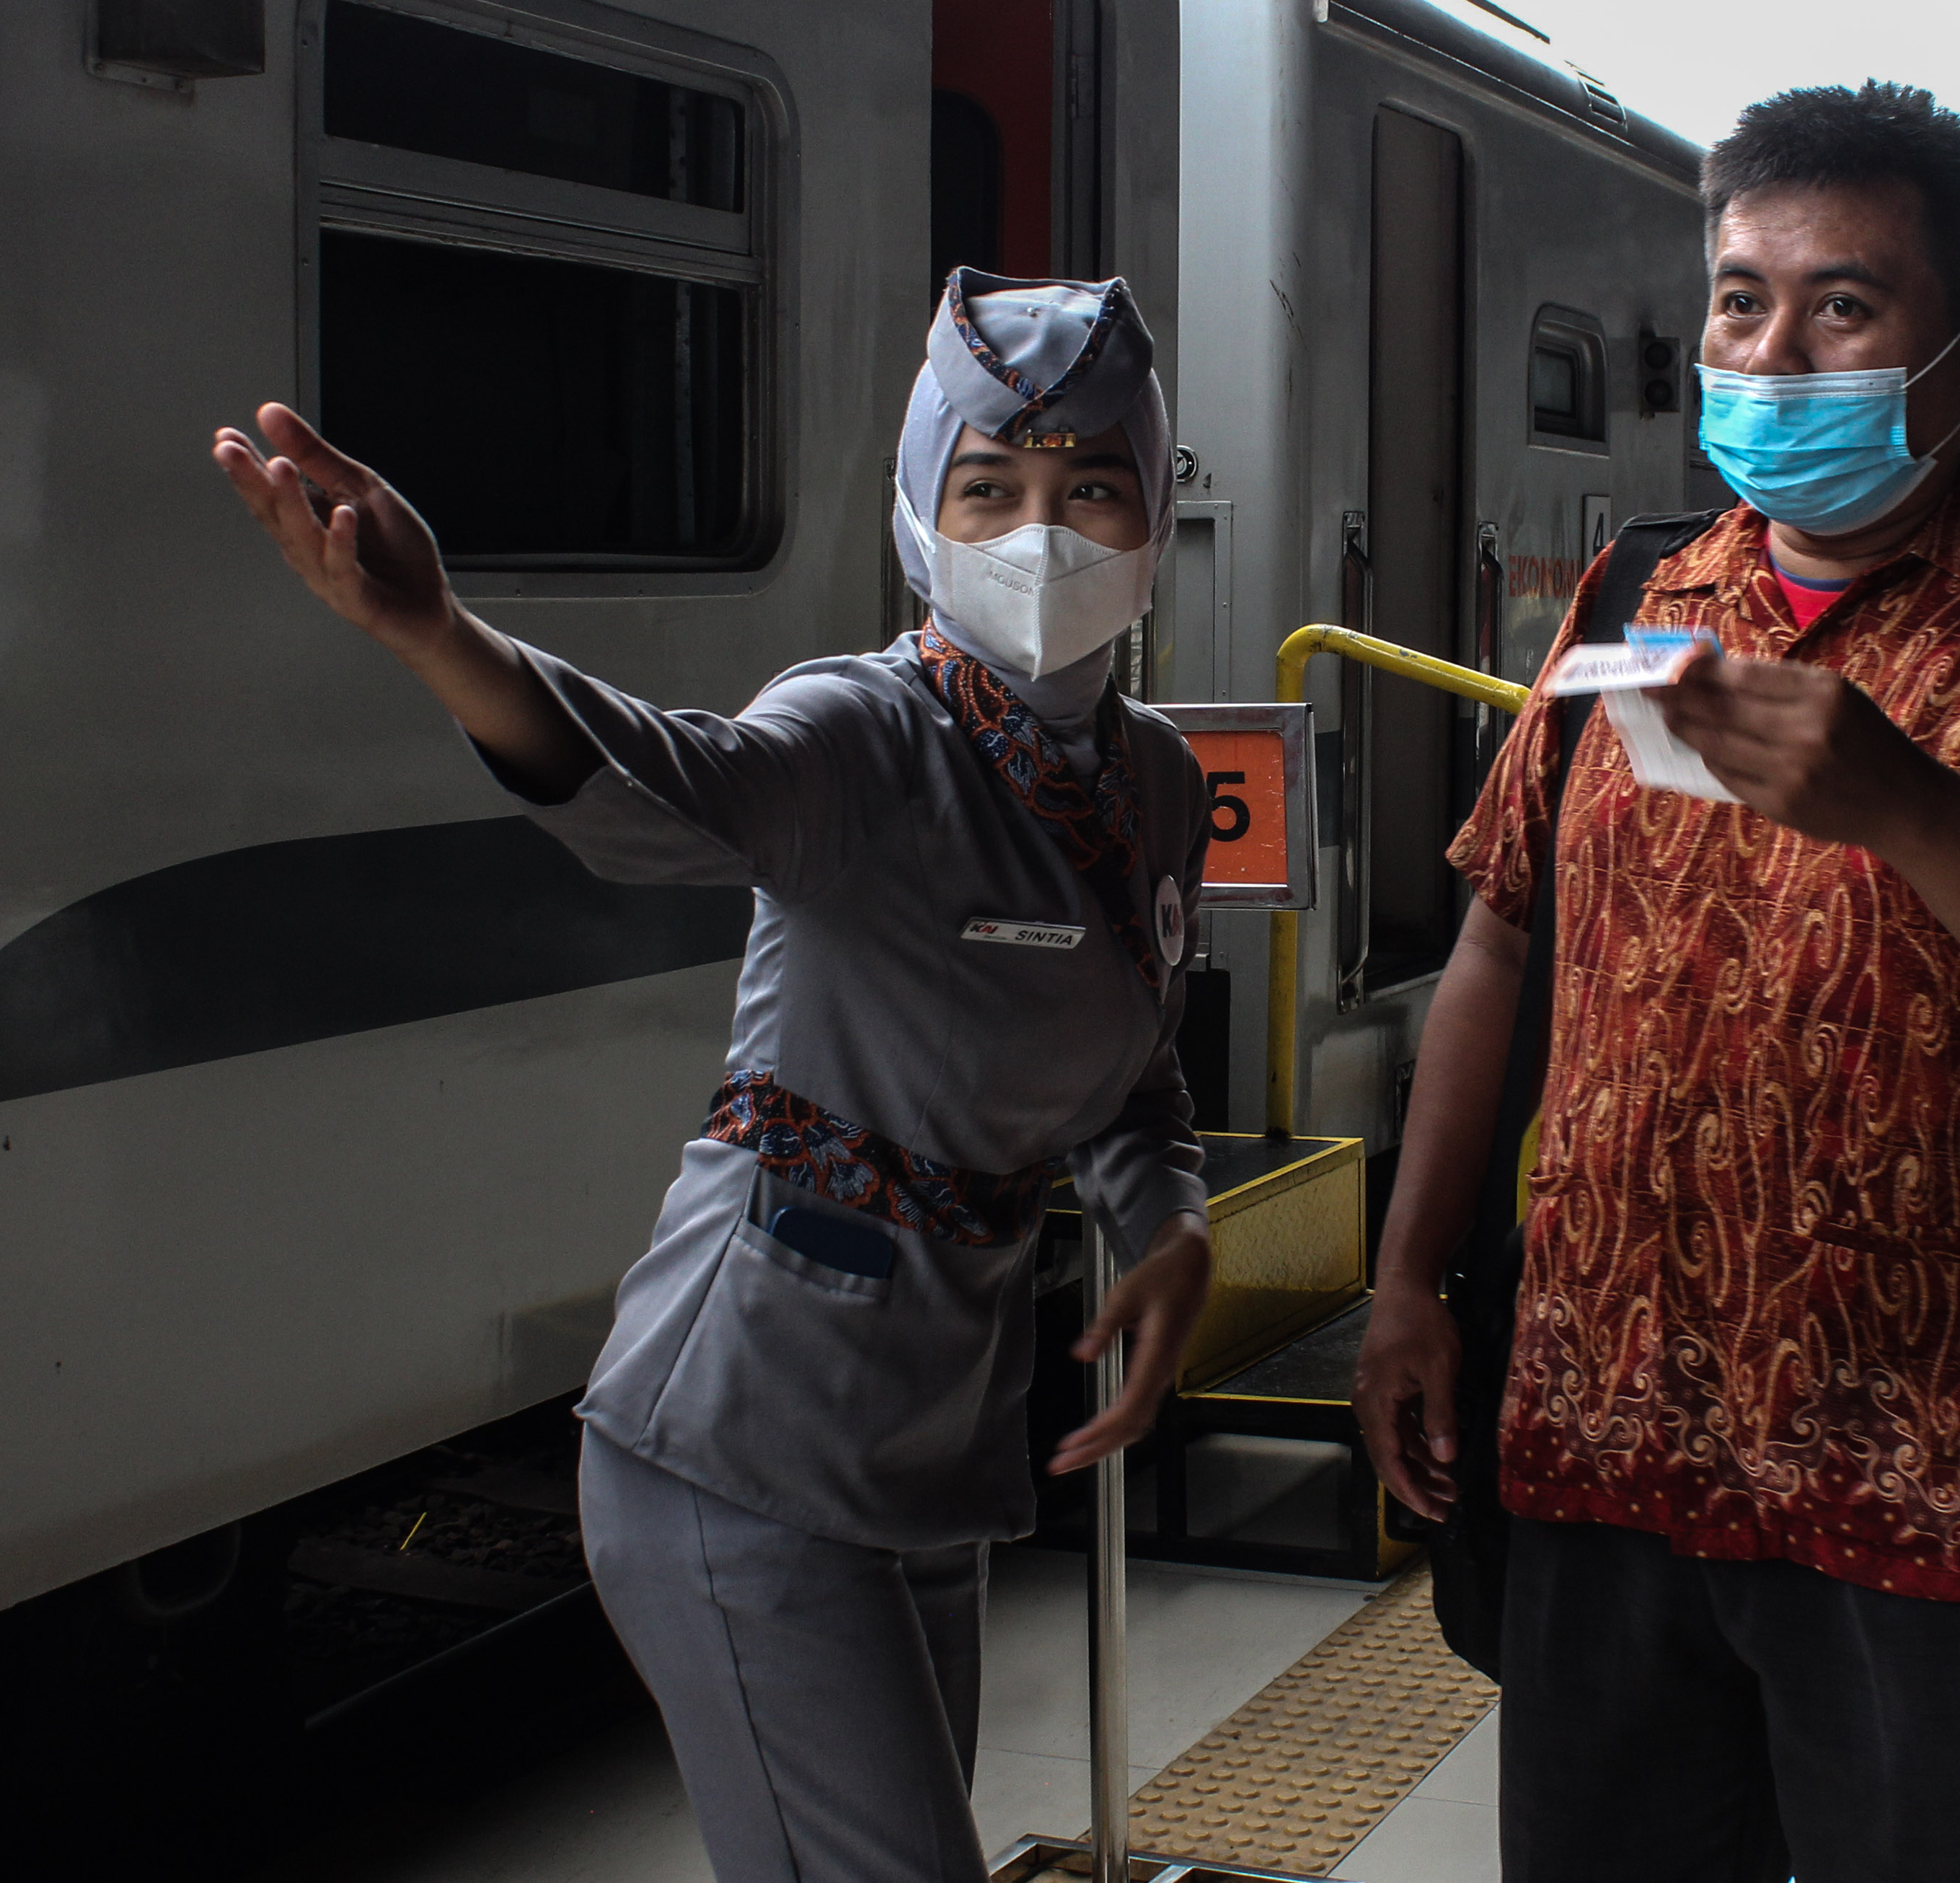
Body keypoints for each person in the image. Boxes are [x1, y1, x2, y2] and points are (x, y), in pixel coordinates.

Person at [1352, 83, 1960, 1882]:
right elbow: (1496, 933)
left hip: (1954, 1485)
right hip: (1606, 1449)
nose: (1773, 351)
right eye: (1736, 299)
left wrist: (1907, 810)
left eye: (1843, 305)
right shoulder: (1643, 594)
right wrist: (1407, 1280)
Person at [213, 269, 1214, 1883]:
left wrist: (1169, 1220)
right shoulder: (861, 730)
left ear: (1154, 508)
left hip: (932, 1451)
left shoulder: (1155, 782)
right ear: (917, 507)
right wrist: (436, 631)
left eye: (1089, 484)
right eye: (989, 485)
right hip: (740, 1443)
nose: (1040, 533)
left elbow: (1128, 1074)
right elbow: (668, 789)